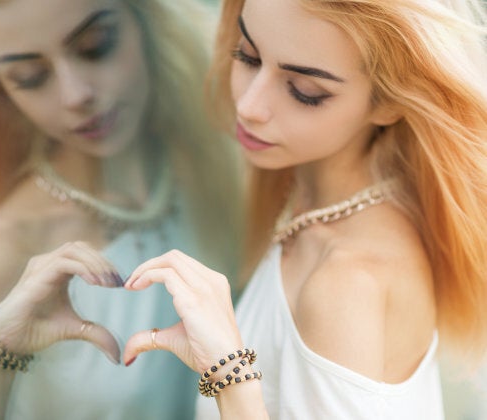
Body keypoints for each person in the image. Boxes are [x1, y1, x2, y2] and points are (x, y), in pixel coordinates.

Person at [119, 0, 487, 418]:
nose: (248, 107)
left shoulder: (346, 281)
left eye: (304, 92)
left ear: (389, 102)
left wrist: (228, 372)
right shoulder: (310, 203)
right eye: (248, 55)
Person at [0, 0, 242, 418]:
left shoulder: (214, 169)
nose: (77, 94)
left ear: (146, 20)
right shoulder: (2, 248)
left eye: (96, 46)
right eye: (30, 77)